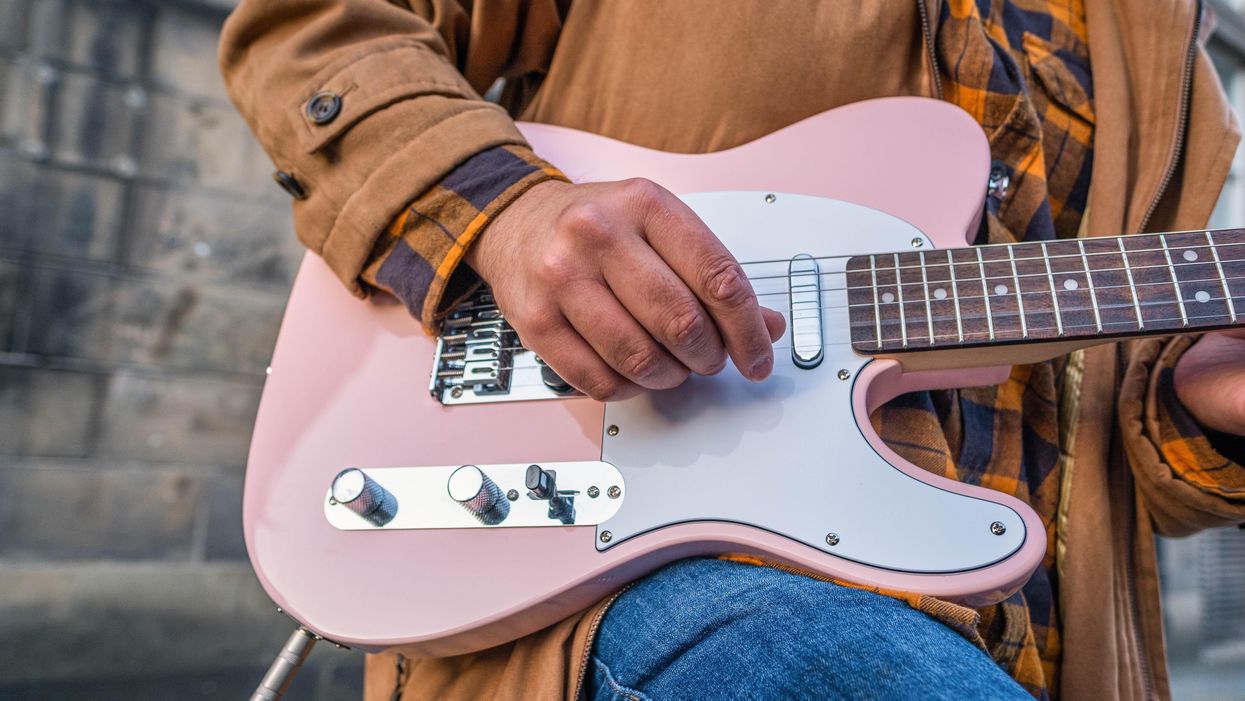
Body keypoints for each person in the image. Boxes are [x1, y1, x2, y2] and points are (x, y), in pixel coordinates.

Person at [219, 2, 1245, 699]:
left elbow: (1115, 433)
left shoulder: (1172, 57)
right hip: (637, 580)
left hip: (1037, 644)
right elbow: (315, 27)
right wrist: (505, 213)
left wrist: (1205, 405)